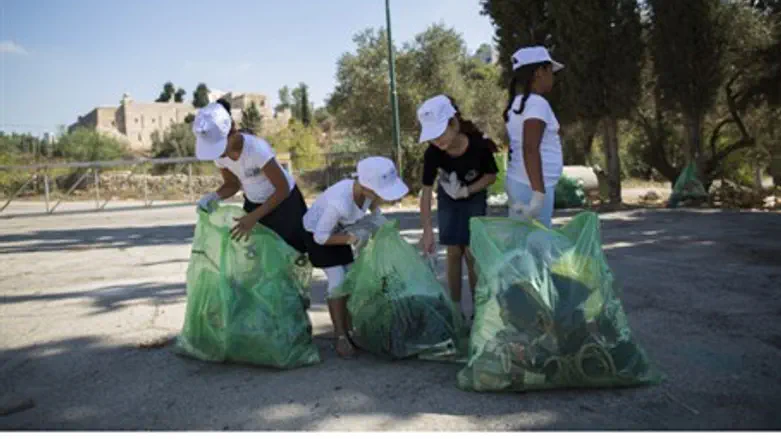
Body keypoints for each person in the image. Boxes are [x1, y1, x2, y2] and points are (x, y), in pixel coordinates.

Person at [302, 156, 409, 358]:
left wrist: (386, 228)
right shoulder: (339, 202)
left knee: (351, 278)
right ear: (367, 187)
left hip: (340, 231)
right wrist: (352, 239)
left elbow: (374, 212)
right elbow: (320, 237)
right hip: (318, 236)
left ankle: (351, 329)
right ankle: (340, 335)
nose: (383, 197)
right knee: (338, 280)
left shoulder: (366, 192)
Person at [417, 94, 499, 320]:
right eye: (431, 136)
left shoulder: (478, 145)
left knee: (472, 252)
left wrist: (467, 190)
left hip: (474, 194)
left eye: (439, 133)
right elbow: (426, 192)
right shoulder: (433, 153)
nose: (436, 141)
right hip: (448, 196)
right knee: (453, 251)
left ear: (453, 123)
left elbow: (491, 176)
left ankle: (478, 310)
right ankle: (455, 311)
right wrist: (427, 231)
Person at [192, 99, 309, 252]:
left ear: (232, 130)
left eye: (220, 147)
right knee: (258, 256)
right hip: (254, 205)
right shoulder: (220, 156)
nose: (219, 154)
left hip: (284, 205)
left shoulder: (256, 149)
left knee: (291, 253)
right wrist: (213, 197)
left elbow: (283, 189)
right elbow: (232, 184)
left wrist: (254, 217)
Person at [504, 46, 565, 228]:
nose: (553, 77)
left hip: (521, 181)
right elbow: (530, 148)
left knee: (522, 239)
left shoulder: (518, 104)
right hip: (533, 185)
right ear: (539, 72)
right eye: (550, 71)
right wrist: (538, 194)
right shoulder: (537, 104)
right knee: (537, 240)